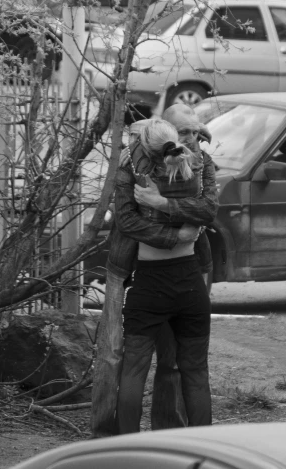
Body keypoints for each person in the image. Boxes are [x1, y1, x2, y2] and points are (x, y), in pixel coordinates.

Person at [91, 112, 218, 438]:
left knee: (132, 368)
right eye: (184, 132)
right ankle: (201, 445)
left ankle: (126, 445)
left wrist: (160, 202)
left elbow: (126, 220)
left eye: (193, 132)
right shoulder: (195, 166)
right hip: (188, 279)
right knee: (195, 371)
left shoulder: (136, 167)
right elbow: (206, 211)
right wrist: (178, 235)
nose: (190, 139)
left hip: (149, 281)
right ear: (171, 135)